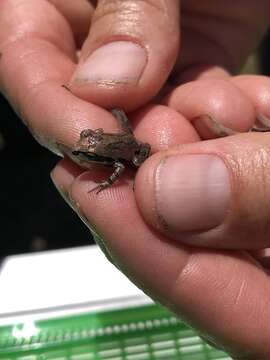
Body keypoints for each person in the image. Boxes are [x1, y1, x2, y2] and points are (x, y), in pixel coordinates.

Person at [1, 1, 270, 358]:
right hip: (117, 137)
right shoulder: (92, 144)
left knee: (147, 173)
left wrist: (110, 180)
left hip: (133, 151)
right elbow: (94, 141)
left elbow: (115, 169)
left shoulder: (110, 163)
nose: (83, 155)